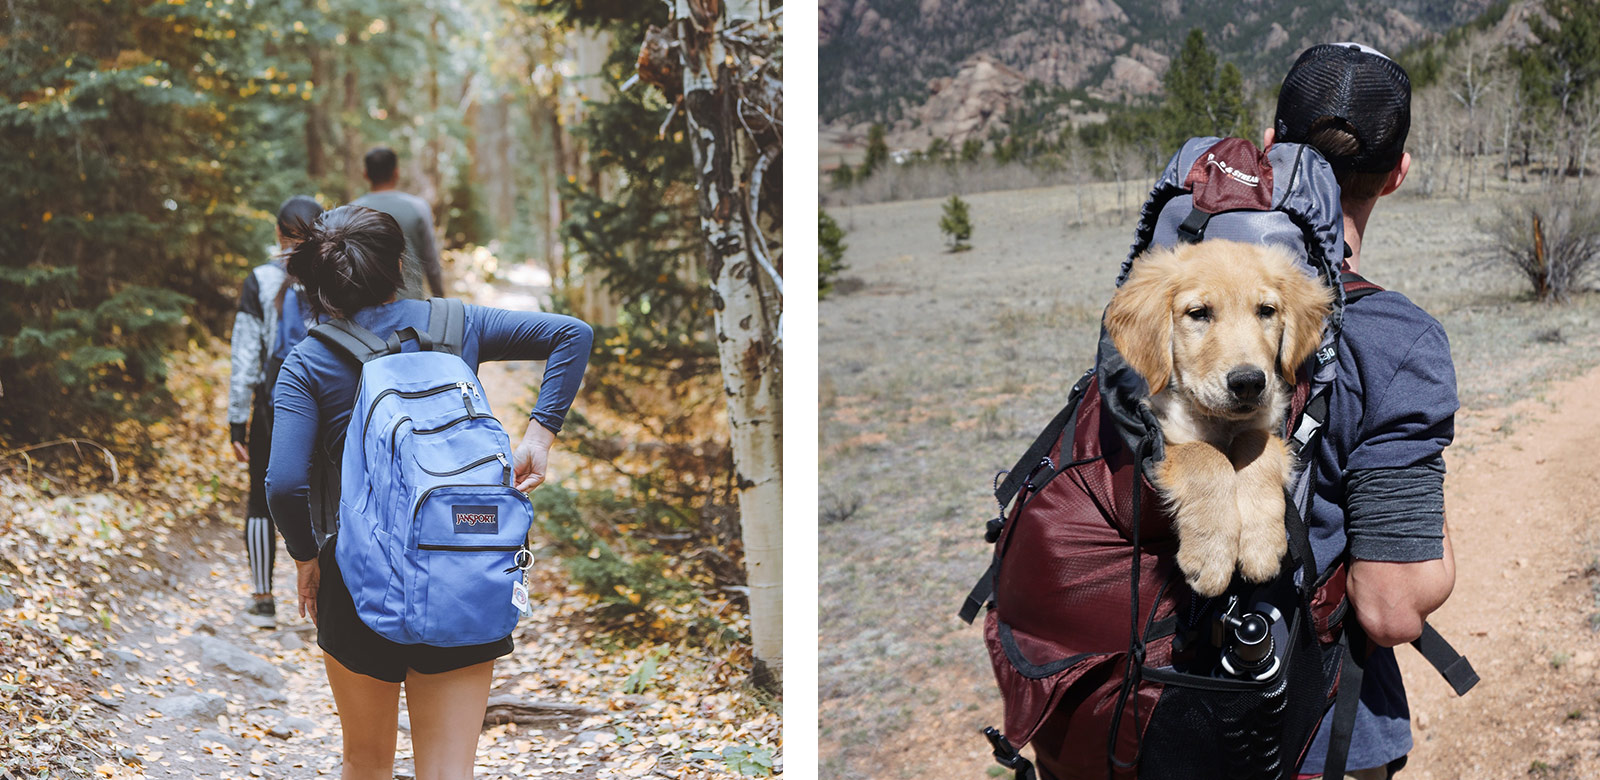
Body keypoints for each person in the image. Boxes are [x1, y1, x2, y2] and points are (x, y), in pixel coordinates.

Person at [265, 206, 592, 780]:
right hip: (463, 557)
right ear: (398, 264)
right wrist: (540, 434)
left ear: (320, 281)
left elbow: (285, 485)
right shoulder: (457, 324)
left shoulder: (309, 361)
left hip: (355, 575)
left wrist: (305, 557)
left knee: (365, 763)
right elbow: (571, 334)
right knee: (448, 769)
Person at [1264, 43, 1457, 780]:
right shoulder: (1396, 342)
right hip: (1308, 739)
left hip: (1132, 721)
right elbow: (1391, 608)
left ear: (1272, 148)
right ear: (1398, 173)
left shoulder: (1178, 291)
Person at [226, 195, 324, 628]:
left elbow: (245, 356)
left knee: (260, 497)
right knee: (328, 494)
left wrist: (236, 421)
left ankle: (264, 600)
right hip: (329, 400)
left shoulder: (261, 280)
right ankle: (329, 597)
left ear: (279, 235)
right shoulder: (336, 275)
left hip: (275, 402)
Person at [352, 146, 446, 301]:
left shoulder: (351, 211)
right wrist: (439, 296)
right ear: (396, 173)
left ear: (365, 174)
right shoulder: (418, 207)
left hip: (366, 307)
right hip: (411, 304)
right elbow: (431, 260)